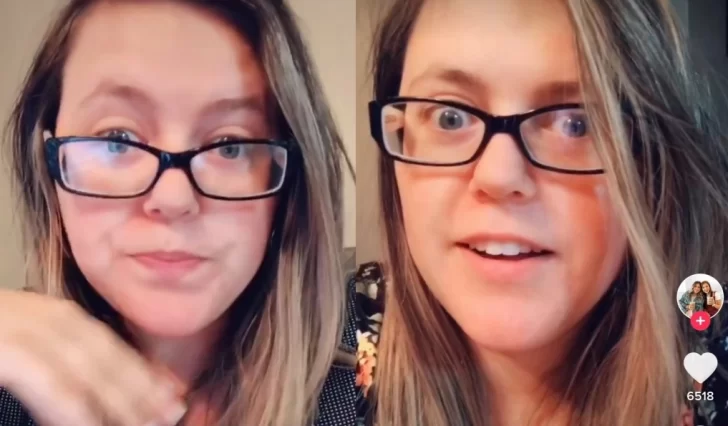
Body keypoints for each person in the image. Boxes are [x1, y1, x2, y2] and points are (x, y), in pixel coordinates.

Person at [355, 0, 728, 425]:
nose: (499, 176)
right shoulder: (336, 348)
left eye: (576, 123)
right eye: (449, 118)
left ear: (652, 167)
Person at [0, 1, 355, 425]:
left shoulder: (367, 386)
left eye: (229, 146)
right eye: (117, 139)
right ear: (49, 167)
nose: (173, 198)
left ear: (290, 186)